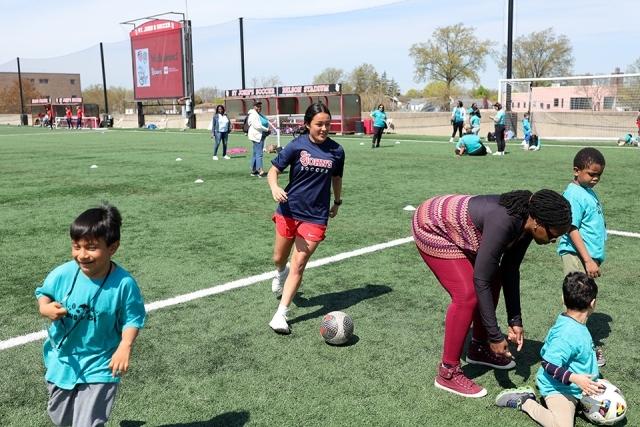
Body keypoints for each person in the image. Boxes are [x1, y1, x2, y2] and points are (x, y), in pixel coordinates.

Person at [412, 189, 572, 397]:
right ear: (538, 223)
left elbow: (510, 270)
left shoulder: (527, 224)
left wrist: (516, 320)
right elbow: (480, 281)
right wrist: (496, 336)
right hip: (432, 224)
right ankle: (448, 372)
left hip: (457, 228)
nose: (554, 240)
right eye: (553, 234)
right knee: (467, 294)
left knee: (495, 276)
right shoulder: (505, 221)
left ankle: (478, 348)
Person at [35, 203, 146, 427]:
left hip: (101, 362)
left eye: (91, 248)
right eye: (76, 246)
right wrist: (44, 307)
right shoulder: (63, 273)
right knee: (61, 418)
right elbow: (43, 293)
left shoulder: (124, 284)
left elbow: (132, 318)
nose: (82, 255)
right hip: (64, 359)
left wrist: (125, 345)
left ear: (113, 247)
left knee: (87, 423)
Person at [267, 103, 345, 334]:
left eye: (327, 124)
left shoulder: (337, 151)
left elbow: (337, 177)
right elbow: (273, 170)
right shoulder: (296, 146)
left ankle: (281, 315)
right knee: (279, 258)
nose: (324, 129)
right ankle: (280, 272)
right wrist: (274, 187)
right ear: (308, 124)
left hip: (316, 215)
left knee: (299, 263)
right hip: (289, 210)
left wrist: (337, 202)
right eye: (319, 124)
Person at [495, 272, 602, 427]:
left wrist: (592, 355)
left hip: (579, 387)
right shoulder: (566, 333)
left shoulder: (577, 323)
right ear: (593, 303)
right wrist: (576, 379)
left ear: (563, 299)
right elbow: (548, 364)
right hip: (559, 388)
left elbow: (574, 350)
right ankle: (525, 401)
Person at [557, 148, 606, 279]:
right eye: (591, 174)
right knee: (577, 297)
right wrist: (588, 260)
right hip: (577, 256)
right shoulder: (573, 195)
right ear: (576, 171)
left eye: (599, 175)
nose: (596, 178)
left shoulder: (586, 190)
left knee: (585, 296)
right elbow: (572, 228)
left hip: (586, 255)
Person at [247, 101, 270, 177]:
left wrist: (266, 131)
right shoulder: (253, 115)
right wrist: (267, 130)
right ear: (253, 106)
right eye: (257, 106)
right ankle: (261, 171)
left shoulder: (259, 114)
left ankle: (254, 170)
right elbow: (257, 126)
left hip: (260, 135)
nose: (259, 108)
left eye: (260, 106)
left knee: (255, 153)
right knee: (259, 154)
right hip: (257, 136)